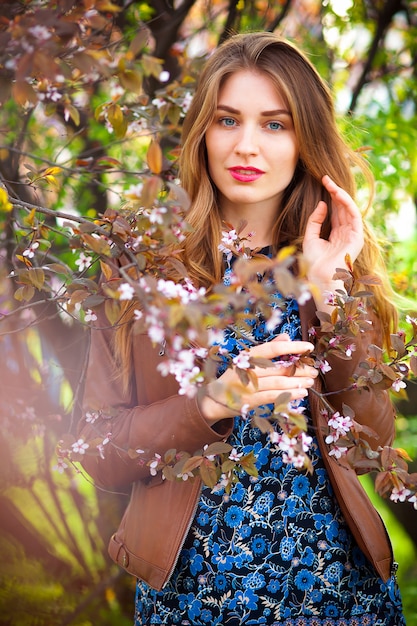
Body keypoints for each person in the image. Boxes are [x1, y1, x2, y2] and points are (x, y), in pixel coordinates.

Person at [79, 32, 406, 625]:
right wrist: (209, 403)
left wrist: (330, 292)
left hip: (338, 596)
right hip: (195, 600)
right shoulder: (144, 268)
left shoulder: (327, 264)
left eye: (275, 124)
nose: (246, 146)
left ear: (306, 139)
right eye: (228, 120)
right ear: (203, 131)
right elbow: (98, 449)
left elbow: (371, 443)